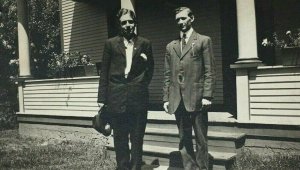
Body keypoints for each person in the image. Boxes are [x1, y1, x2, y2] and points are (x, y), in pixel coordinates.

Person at [97, 8, 154, 170]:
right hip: (116, 99)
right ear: (119, 24)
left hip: (138, 99)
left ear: (135, 23)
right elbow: (104, 74)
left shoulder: (145, 44)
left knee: (137, 138)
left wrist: (140, 85)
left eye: (130, 21)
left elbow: (150, 69)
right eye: (124, 22)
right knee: (120, 139)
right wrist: (101, 99)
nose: (128, 25)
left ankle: (136, 167)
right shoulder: (110, 44)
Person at [163, 7, 216, 170]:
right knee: (184, 138)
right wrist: (166, 98)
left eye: (183, 18)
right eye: (177, 19)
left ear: (191, 18)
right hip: (177, 100)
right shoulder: (171, 46)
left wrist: (208, 95)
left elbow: (210, 70)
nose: (180, 22)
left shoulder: (203, 41)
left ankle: (203, 168)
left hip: (197, 98)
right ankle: (190, 168)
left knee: (201, 139)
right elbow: (167, 74)